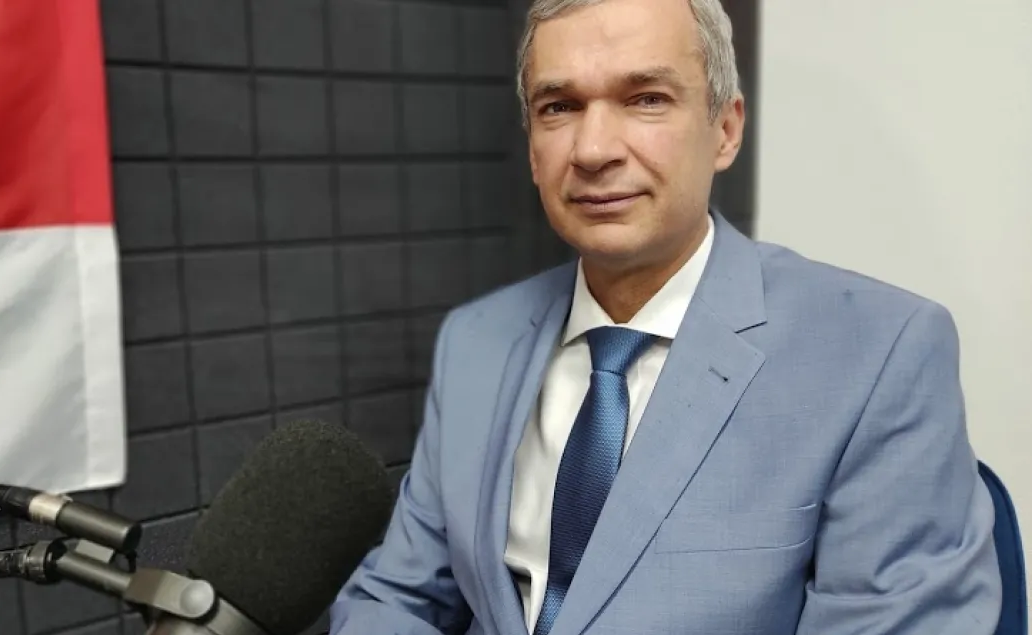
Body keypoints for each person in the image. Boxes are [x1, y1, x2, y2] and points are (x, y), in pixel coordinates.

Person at [330, 0, 1003, 633]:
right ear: (533, 149)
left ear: (725, 130)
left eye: (646, 98)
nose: (593, 150)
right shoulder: (476, 342)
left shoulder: (877, 354)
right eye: (560, 107)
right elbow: (400, 596)